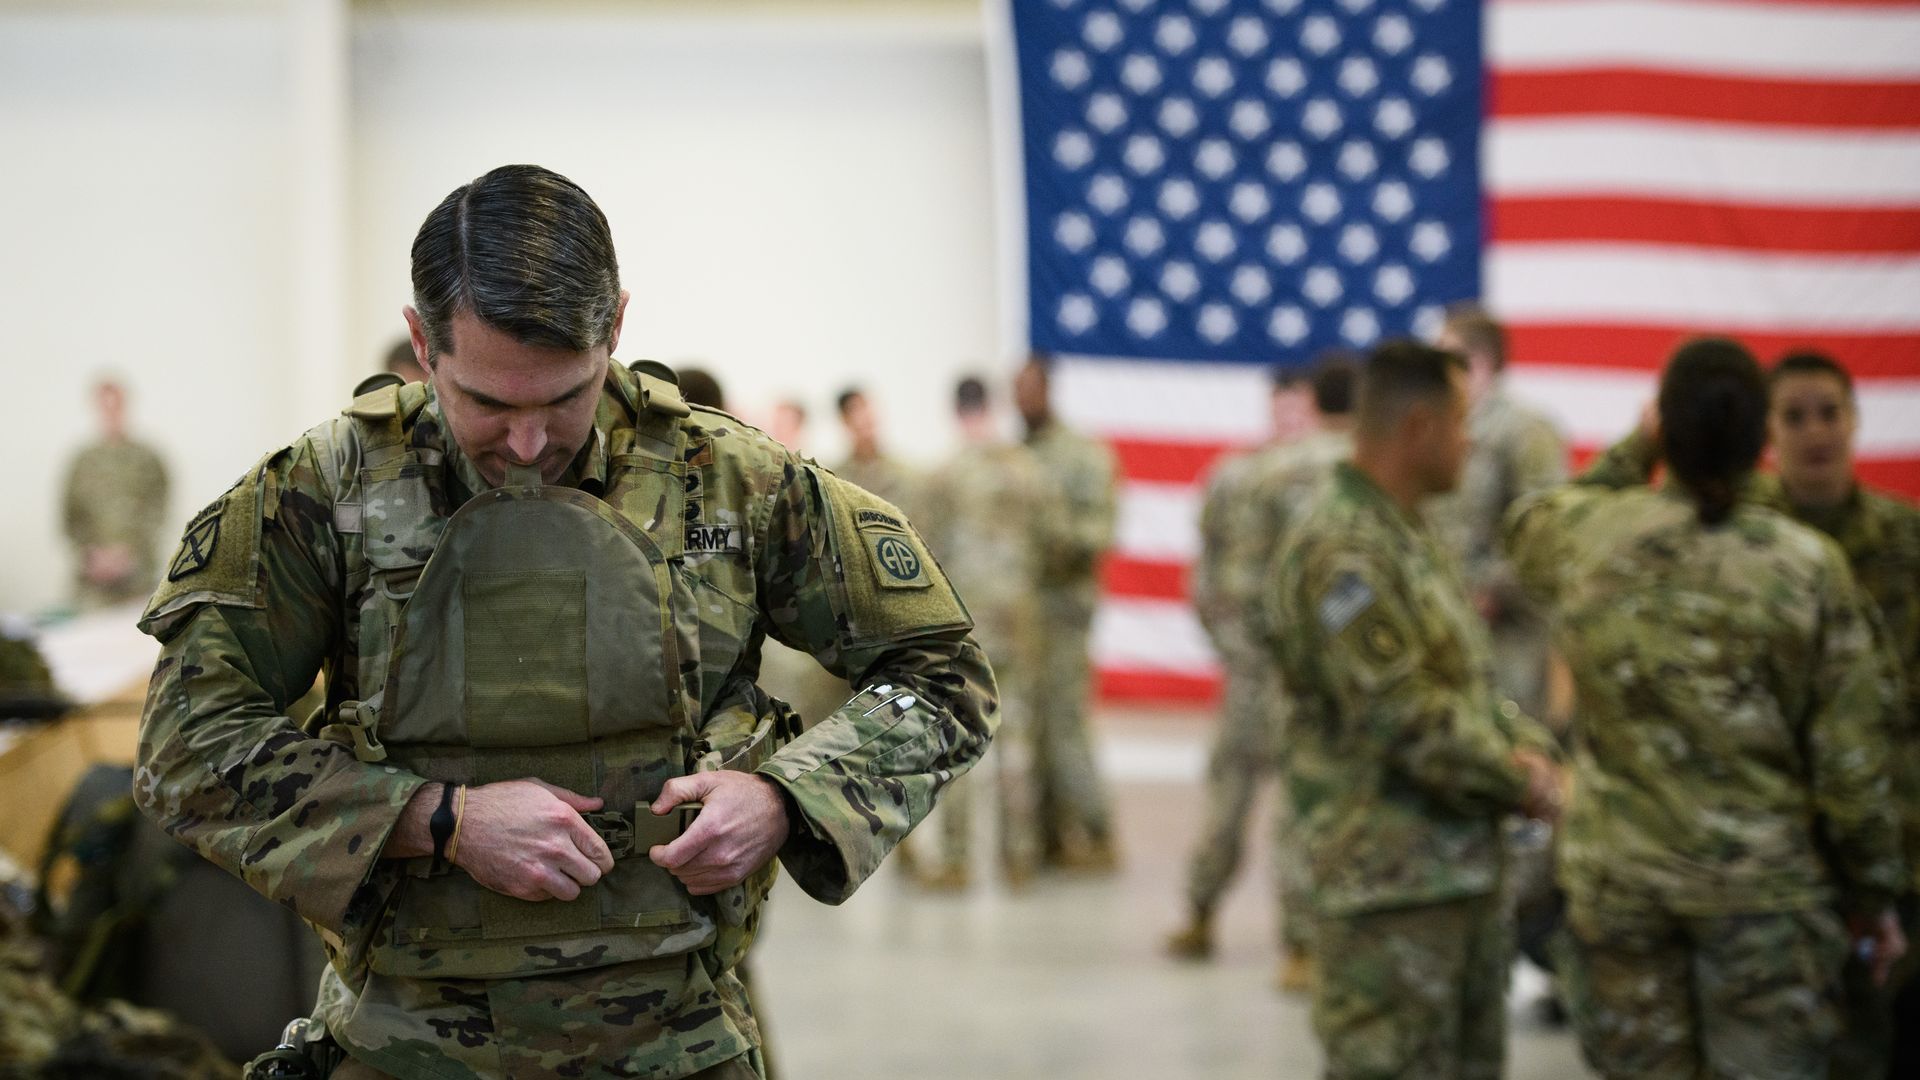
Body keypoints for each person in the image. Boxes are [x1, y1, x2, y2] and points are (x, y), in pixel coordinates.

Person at [131, 164, 997, 1080]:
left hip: (679, 1043)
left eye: (566, 397)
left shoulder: (733, 480)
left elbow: (944, 675)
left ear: (616, 325)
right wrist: (437, 819)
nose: (531, 444)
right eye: (490, 404)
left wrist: (787, 798)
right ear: (423, 345)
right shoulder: (326, 493)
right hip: (403, 1046)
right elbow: (185, 742)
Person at [1505, 338, 1907, 1080]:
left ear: (1667, 431)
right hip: (1762, 904)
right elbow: (1851, 760)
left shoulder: (1588, 539)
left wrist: (1638, 444)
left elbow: (1535, 516)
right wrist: (1876, 896)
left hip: (1621, 900)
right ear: (1761, 439)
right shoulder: (1804, 566)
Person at [1267, 339, 1563, 1079]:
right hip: (1387, 899)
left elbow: (1464, 684)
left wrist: (1530, 745)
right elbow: (1405, 716)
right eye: (1463, 424)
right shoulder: (1343, 547)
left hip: (1453, 879)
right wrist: (1520, 779)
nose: (1471, 443)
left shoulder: (1408, 533)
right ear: (1420, 428)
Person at [1755, 351, 1920, 1079]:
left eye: (1829, 412)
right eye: (1794, 416)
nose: (1815, 432)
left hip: (1903, 834)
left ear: (1855, 420)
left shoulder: (1907, 540)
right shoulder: (1742, 542)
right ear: (1768, 431)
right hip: (1781, 849)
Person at [1167, 357, 1355, 990]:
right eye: (1281, 409)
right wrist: (1233, 644)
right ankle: (1202, 910)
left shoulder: (1304, 475)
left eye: (1298, 408)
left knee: (1288, 802)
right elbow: (1211, 571)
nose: (1289, 420)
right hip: (1260, 667)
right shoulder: (1243, 477)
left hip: (1287, 667)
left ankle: (1296, 942)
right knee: (1238, 794)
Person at [912, 375, 1047, 890]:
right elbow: (1051, 540)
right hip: (1021, 619)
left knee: (958, 737)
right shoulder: (1027, 471)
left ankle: (954, 861)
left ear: (956, 411)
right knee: (1019, 743)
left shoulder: (943, 475)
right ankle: (1021, 858)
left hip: (964, 627)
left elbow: (923, 555)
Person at [1423, 304, 1567, 719]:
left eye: (1444, 357)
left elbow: (1543, 529)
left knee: (1509, 739)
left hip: (1505, 629)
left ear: (1479, 361)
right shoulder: (1442, 428)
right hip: (1442, 621)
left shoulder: (1526, 431)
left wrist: (1490, 592)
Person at [1014, 355, 1120, 870]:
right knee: (1030, 726)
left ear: (1049, 390)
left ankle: (1096, 832)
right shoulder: (1016, 456)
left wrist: (1050, 529)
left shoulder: (1083, 457)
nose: (1023, 400)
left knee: (1065, 723)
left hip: (1065, 609)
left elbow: (1098, 533)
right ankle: (1050, 837)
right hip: (1023, 613)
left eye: (1031, 389)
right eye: (1016, 390)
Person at [61, 377, 171, 609]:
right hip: (93, 585)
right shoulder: (82, 462)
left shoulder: (147, 459)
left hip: (139, 579)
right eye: (105, 406)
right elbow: (70, 519)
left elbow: (158, 512)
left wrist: (128, 554)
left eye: (116, 406)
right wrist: (92, 556)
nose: (111, 413)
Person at [832, 387, 918, 512]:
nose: (865, 416)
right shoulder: (837, 479)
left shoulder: (906, 474)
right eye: (854, 410)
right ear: (844, 420)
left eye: (866, 407)